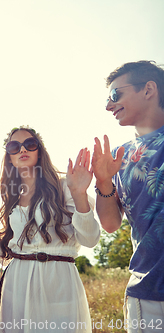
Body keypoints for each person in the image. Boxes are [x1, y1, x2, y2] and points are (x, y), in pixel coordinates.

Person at [0, 126, 100, 333]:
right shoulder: (12, 196)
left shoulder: (65, 186)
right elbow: (7, 254)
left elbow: (90, 239)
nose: (22, 150)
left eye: (29, 144)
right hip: (17, 283)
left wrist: (79, 194)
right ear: (10, 157)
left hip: (58, 281)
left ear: (39, 150)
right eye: (14, 146)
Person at [92, 60, 164, 332]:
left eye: (115, 95)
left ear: (148, 90)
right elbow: (110, 224)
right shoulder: (118, 157)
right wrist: (103, 181)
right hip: (145, 294)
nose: (109, 106)